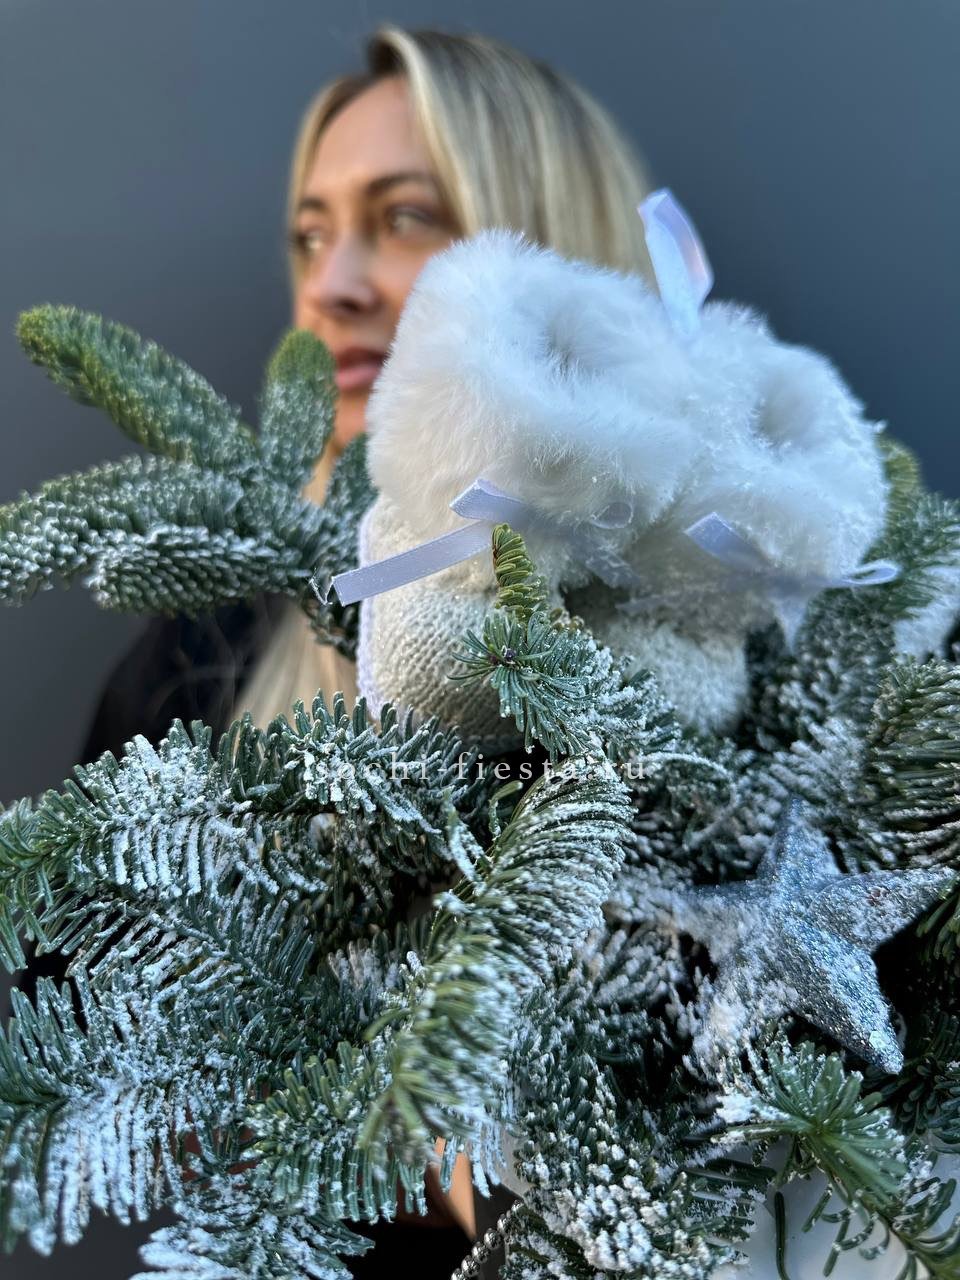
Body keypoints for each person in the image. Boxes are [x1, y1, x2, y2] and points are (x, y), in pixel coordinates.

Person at [69, 23, 657, 1280]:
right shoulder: (213, 652)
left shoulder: (713, 663)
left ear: (547, 253)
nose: (332, 283)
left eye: (404, 219)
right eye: (309, 234)